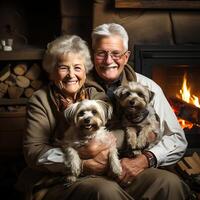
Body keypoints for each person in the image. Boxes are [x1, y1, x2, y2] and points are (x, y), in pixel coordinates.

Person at [17, 34, 134, 200]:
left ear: (85, 71)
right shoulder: (40, 100)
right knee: (105, 191)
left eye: (77, 68)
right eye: (63, 68)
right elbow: (33, 152)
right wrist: (83, 161)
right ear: (51, 72)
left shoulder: (96, 95)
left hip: (106, 168)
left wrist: (102, 145)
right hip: (57, 177)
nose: (71, 75)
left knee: (165, 182)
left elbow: (120, 131)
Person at [82, 23, 191, 199]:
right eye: (101, 53)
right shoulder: (76, 86)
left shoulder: (147, 86)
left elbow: (178, 139)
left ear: (126, 57)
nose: (109, 61)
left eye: (116, 54)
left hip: (135, 166)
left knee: (170, 183)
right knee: (105, 192)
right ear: (92, 56)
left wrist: (145, 160)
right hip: (94, 171)